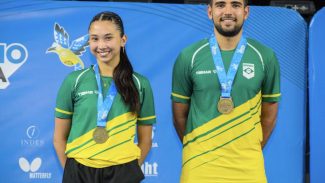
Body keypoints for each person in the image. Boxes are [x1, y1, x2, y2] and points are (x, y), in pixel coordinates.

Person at [171, 0, 281, 182]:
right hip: (199, 167)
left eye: (235, 5)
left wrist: (247, 149)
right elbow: (179, 117)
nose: (228, 11)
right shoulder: (189, 56)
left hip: (248, 168)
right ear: (209, 11)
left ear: (246, 12)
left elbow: (269, 116)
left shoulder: (265, 56)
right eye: (221, 5)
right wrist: (198, 148)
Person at [53, 11, 156, 183]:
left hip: (122, 171)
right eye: (94, 39)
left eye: (108, 38)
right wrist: (72, 172)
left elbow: (146, 140)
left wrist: (128, 173)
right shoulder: (74, 81)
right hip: (78, 170)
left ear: (123, 40)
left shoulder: (140, 84)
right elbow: (59, 138)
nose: (101, 45)